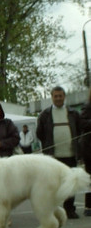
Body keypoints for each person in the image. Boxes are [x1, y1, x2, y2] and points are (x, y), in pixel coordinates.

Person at [36, 86, 83, 218]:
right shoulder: (45, 114)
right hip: (53, 156)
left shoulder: (73, 113)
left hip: (70, 154)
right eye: (55, 96)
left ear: (64, 97)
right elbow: (40, 133)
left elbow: (79, 131)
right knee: (52, 184)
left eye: (60, 96)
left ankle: (70, 209)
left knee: (70, 182)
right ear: (52, 97)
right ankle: (53, 211)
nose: (58, 98)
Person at [80, 88, 91, 216]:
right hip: (89, 149)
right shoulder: (87, 107)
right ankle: (89, 205)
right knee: (89, 179)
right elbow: (82, 123)